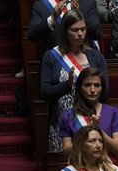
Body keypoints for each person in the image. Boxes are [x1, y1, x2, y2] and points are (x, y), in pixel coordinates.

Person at [40, 9, 107, 153]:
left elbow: (106, 92)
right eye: (75, 30)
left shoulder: (96, 57)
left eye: (83, 29)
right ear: (65, 31)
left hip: (90, 125)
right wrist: (67, 85)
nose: (80, 34)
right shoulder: (52, 56)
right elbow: (44, 92)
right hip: (61, 125)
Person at [59, 67, 118, 156]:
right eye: (87, 85)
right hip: (79, 167)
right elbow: (66, 151)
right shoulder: (68, 116)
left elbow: (117, 149)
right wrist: (85, 136)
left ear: (102, 88)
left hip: (105, 167)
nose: (92, 90)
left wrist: (98, 130)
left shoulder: (113, 113)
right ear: (80, 88)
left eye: (97, 85)